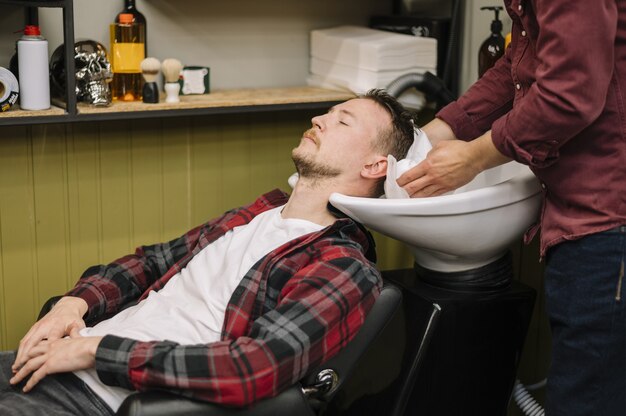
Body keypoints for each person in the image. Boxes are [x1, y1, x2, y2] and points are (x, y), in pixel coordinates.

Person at [0, 89, 415, 416]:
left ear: (375, 167)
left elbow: (255, 367)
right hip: (55, 360)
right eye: (328, 112)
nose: (318, 119)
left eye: (342, 120)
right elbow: (151, 261)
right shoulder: (254, 216)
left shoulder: (342, 265)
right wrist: (75, 303)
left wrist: (96, 350)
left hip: (100, 400)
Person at [397, 2, 626, 415]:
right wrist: (437, 133)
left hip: (608, 214)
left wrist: (474, 158)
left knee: (586, 400)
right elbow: (520, 65)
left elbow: (568, 94)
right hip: (590, 208)